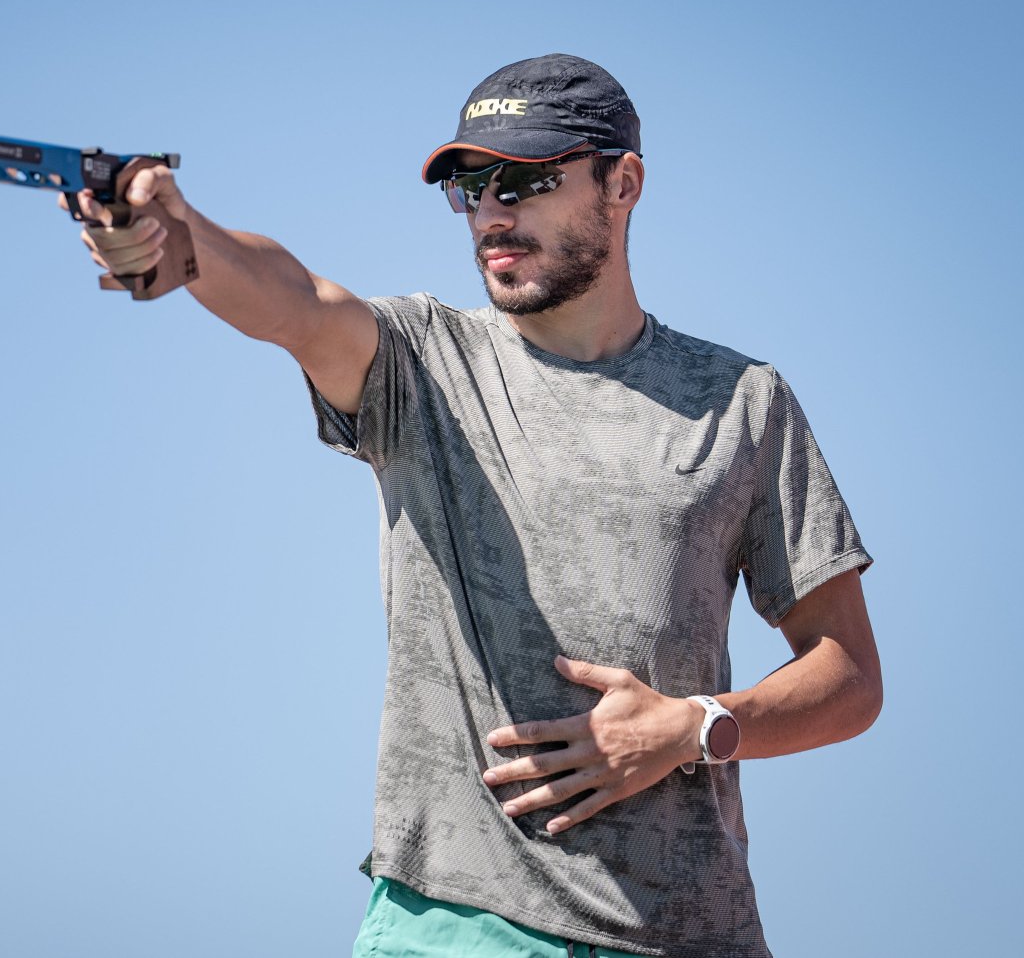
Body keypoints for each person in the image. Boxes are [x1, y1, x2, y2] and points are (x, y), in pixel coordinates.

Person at [69, 54, 881, 958]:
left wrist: (691, 727)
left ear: (624, 182)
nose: (493, 212)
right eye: (470, 187)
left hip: (696, 934)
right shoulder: (422, 365)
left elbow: (848, 677)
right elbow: (295, 304)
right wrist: (181, 239)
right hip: (461, 925)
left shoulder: (743, 400)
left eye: (526, 180)